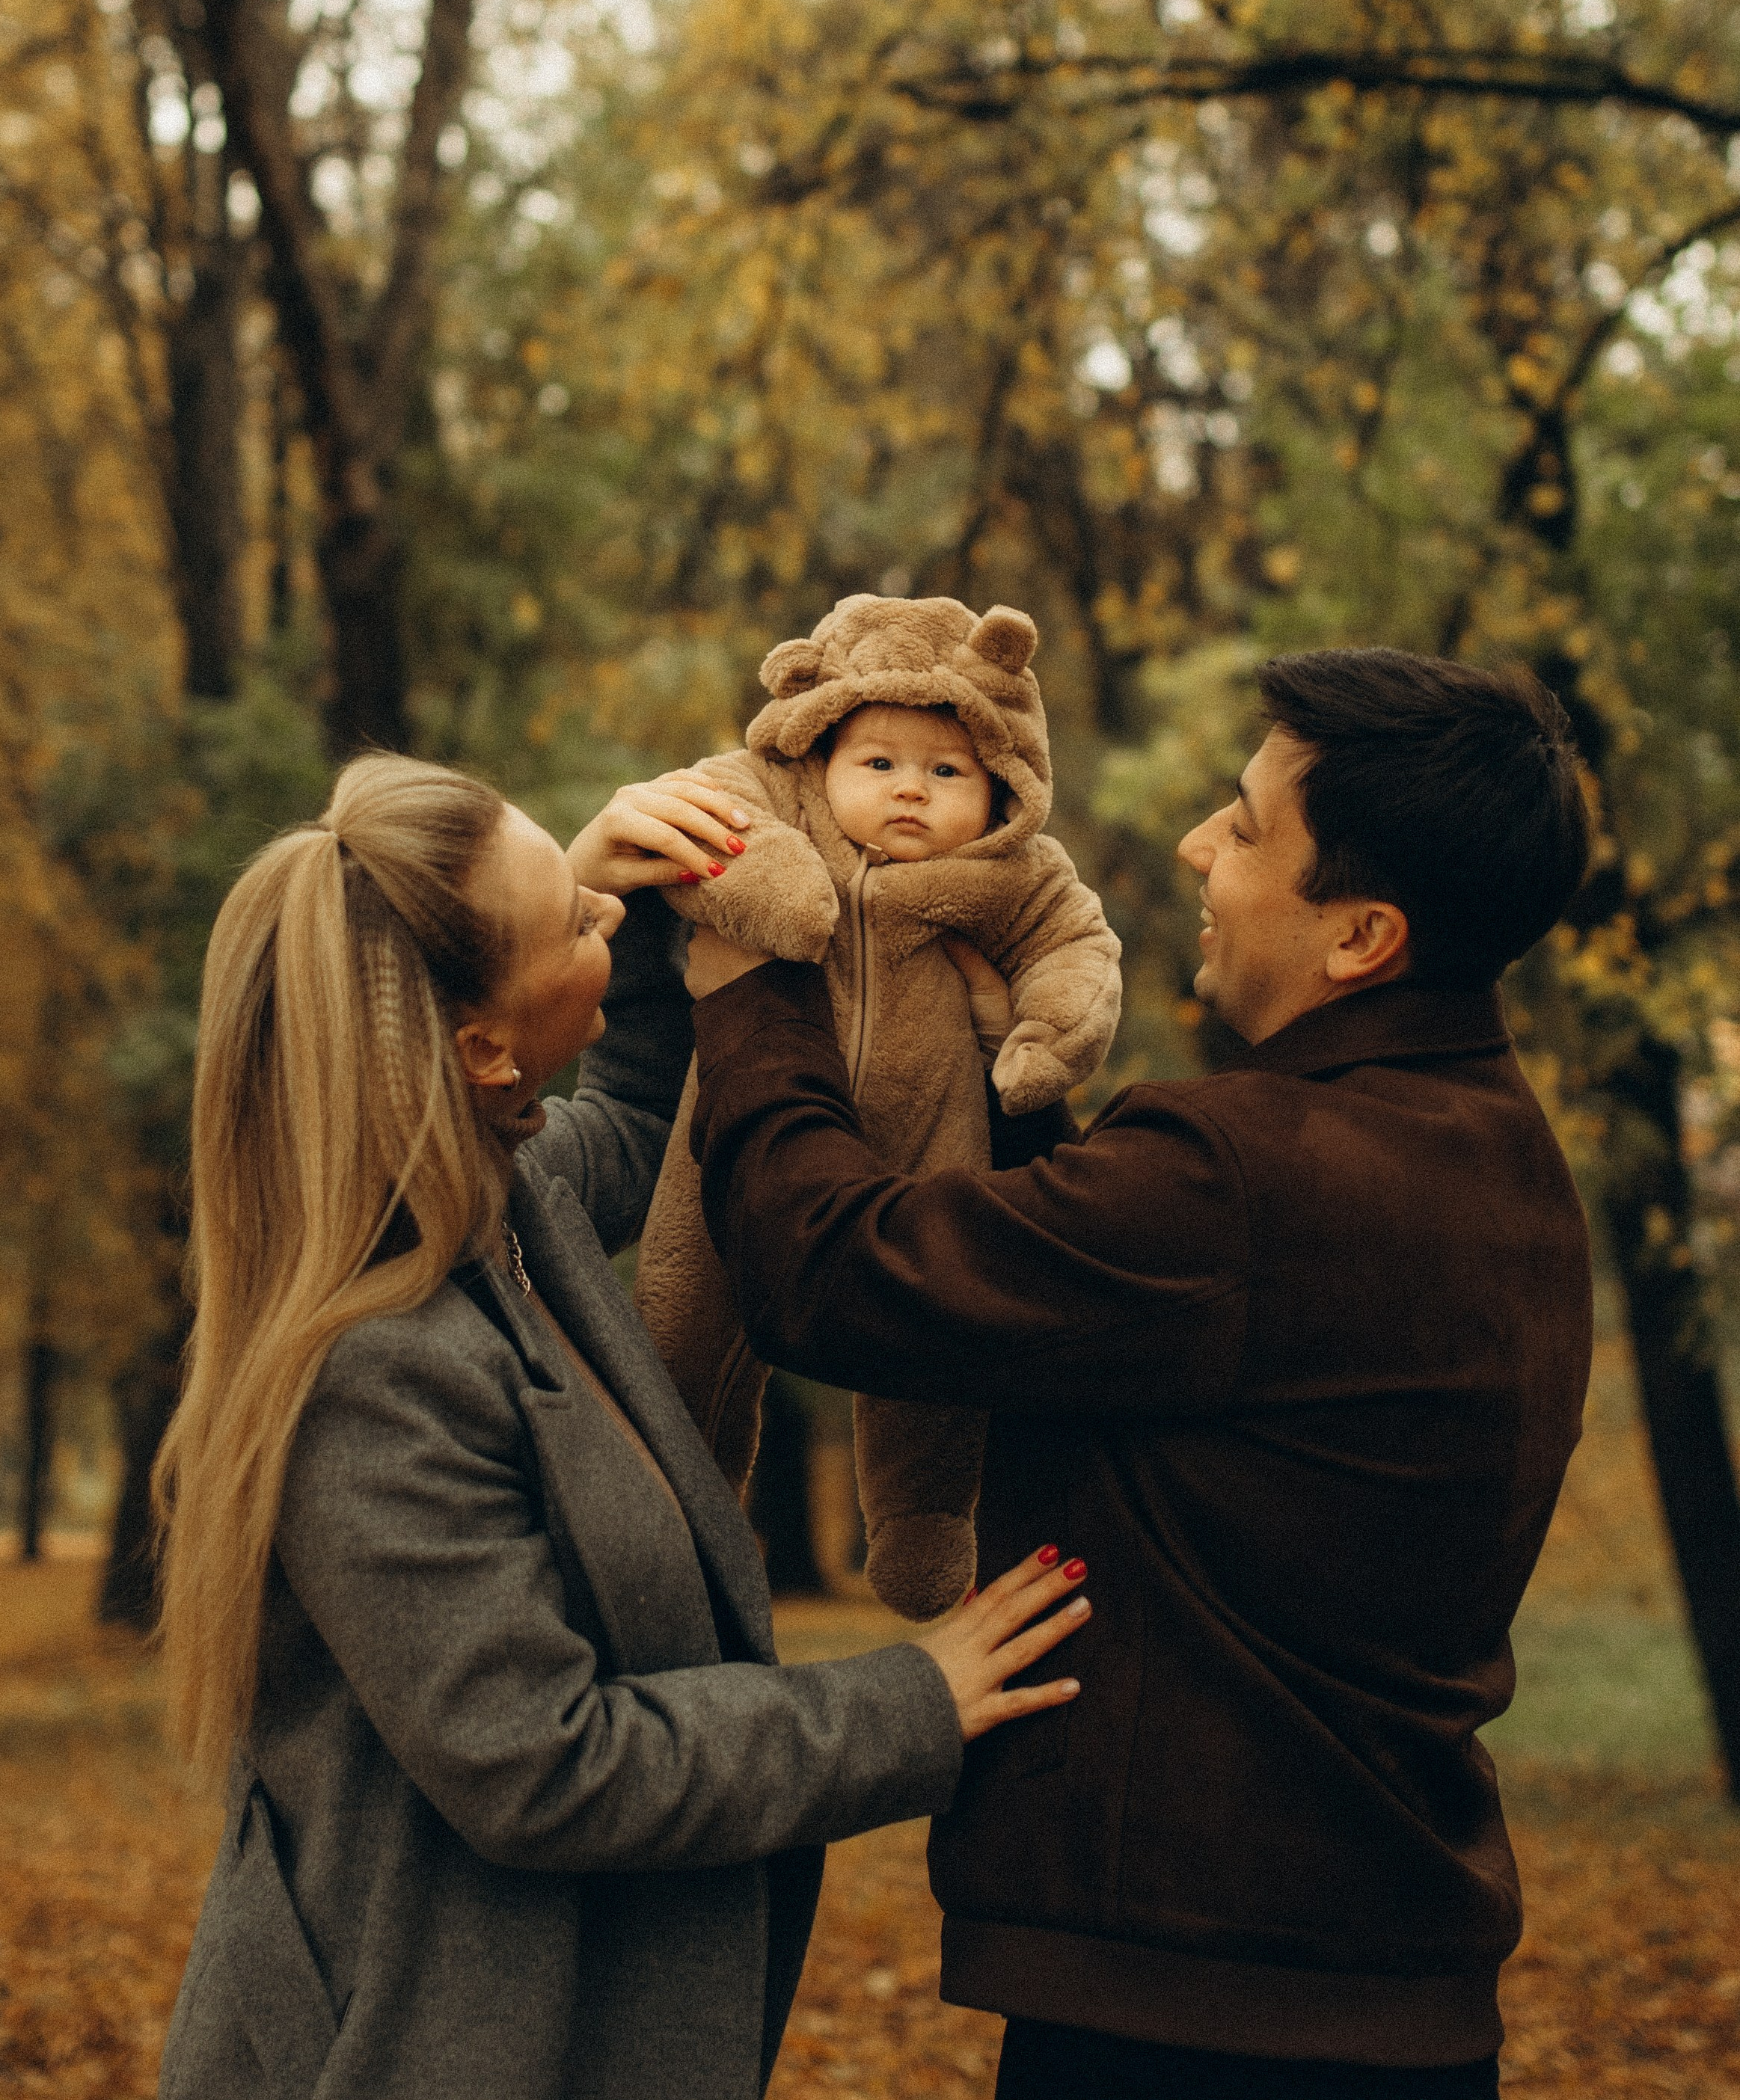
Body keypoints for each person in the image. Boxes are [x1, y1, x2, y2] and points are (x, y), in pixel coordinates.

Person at [685, 649, 1596, 2100]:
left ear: (1360, 934)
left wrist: (752, 985)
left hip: (1194, 2024)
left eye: (1241, 826)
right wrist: (995, 1081)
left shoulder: (1246, 1172)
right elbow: (1130, 1327)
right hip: (1377, 1994)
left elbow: (831, 1270)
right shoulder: (1494, 1153)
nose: (1196, 847)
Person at [153, 752, 1089, 2100]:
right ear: (482, 1047)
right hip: (422, 2050)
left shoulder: (505, 1202)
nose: (611, 914)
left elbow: (659, 1122)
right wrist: (906, 1706)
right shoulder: (373, 1363)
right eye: (578, 918)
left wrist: (624, 887)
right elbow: (546, 1760)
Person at [634, 590, 1120, 1618]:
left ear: (998, 784)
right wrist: (775, 884)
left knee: (934, 1339)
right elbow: (695, 814)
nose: (911, 790)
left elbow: (1077, 946)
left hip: (930, 1141)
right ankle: (680, 1499)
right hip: (733, 1128)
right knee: (685, 1308)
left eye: (947, 770)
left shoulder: (1006, 870)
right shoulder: (780, 808)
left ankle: (922, 1520)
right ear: (821, 753)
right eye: (880, 762)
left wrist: (1040, 1036)